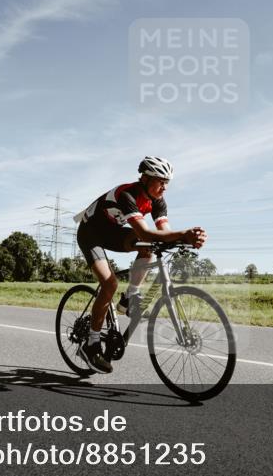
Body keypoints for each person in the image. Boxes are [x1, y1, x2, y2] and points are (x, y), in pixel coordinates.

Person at [72, 156, 206, 374]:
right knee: (109, 285)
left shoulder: (158, 201)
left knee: (149, 247)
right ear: (144, 178)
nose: (164, 187)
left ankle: (130, 298)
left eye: (167, 183)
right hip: (91, 233)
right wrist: (183, 234)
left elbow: (162, 233)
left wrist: (188, 238)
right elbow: (144, 232)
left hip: (114, 232)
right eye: (160, 181)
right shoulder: (126, 194)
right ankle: (91, 344)